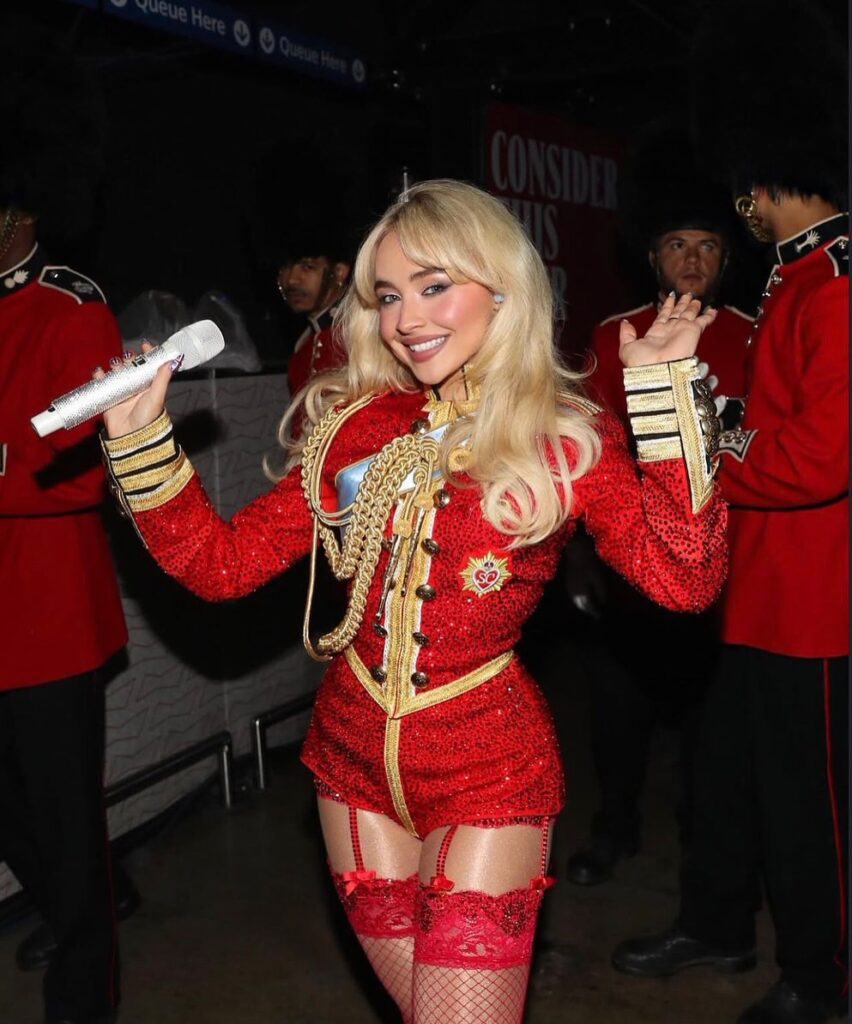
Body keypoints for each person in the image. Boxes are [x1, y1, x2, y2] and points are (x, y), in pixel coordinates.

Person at [99, 180, 726, 1023]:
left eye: (435, 287)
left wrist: (663, 397)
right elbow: (223, 566)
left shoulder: (563, 435)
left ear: (502, 289)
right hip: (349, 769)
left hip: (488, 773)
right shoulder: (355, 426)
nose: (406, 319)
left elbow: (684, 580)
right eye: (388, 296)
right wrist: (141, 438)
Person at [611, 4, 848, 1022]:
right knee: (729, 782)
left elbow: (818, 459)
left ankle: (825, 975)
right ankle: (716, 920)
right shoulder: (797, 280)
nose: (737, 202)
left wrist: (709, 445)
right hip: (753, 588)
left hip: (813, 602)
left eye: (744, 180)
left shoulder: (835, 286)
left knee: (813, 810)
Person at [0, 49, 137, 1024]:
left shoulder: (74, 305)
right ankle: (70, 896)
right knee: (19, 822)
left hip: (50, 618)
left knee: (63, 822)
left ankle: (84, 999)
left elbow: (82, 469)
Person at [565, 195, 752, 886]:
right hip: (627, 564)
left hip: (720, 568)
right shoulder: (615, 335)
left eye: (708, 246)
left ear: (726, 259)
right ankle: (614, 827)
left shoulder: (750, 334)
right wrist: (579, 556)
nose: (694, 259)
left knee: (712, 725)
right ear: (653, 257)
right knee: (617, 712)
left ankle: (704, 848)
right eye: (678, 243)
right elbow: (587, 453)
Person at [276, 226, 352, 397]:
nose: (292, 280)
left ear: (339, 272)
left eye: (308, 267)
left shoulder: (361, 332)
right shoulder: (303, 343)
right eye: (286, 268)